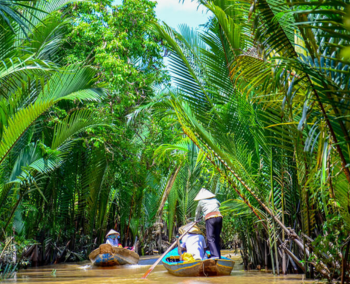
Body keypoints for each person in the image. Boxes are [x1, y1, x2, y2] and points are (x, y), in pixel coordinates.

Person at [195, 188, 223, 259]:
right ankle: (218, 255)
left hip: (210, 218)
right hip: (219, 217)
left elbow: (197, 212)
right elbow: (218, 205)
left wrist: (196, 220)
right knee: (216, 237)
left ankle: (214, 256)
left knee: (210, 238)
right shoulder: (215, 200)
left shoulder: (201, 202)